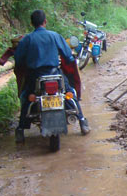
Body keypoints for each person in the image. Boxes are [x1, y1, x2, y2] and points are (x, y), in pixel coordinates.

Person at [13, 10, 90, 143]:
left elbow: (18, 59)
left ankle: (20, 129)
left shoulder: (27, 39)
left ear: (31, 23)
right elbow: (68, 56)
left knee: (26, 96)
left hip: (35, 77)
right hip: (55, 74)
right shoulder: (55, 36)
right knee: (70, 93)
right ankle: (82, 122)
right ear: (45, 22)